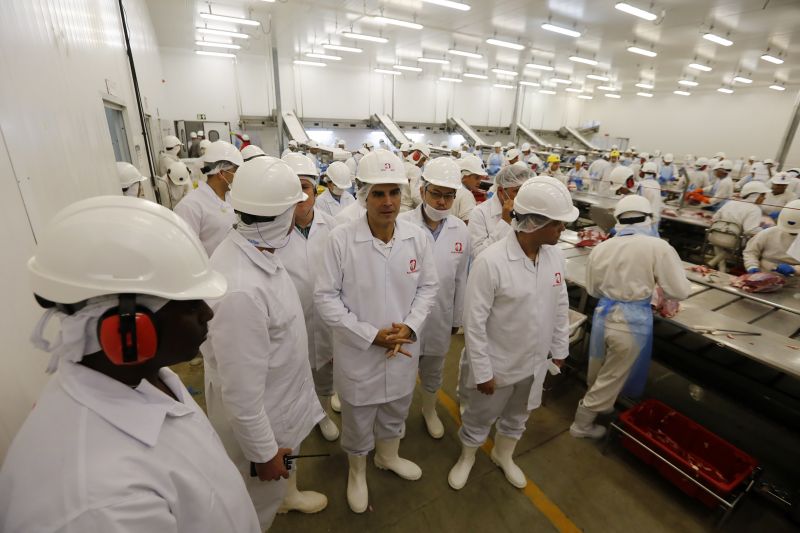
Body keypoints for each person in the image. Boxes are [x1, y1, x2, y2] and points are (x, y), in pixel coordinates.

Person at [0, 196, 260, 532]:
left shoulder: (145, 376)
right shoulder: (101, 505)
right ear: (129, 329)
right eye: (189, 304)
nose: (207, 313)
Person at [203, 158, 327, 529]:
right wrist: (264, 453)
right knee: (256, 507)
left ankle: (288, 496)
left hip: (281, 401)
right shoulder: (242, 289)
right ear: (282, 216)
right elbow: (241, 396)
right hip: (264, 421)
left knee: (279, 484)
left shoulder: (253, 251)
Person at [314, 149, 438, 514]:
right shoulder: (341, 239)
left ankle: (388, 456)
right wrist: (370, 335)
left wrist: (411, 326)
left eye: (394, 193)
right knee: (358, 417)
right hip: (359, 353)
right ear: (363, 195)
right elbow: (325, 298)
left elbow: (428, 288)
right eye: (379, 194)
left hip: (402, 349)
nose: (388, 202)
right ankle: (357, 470)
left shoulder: (416, 238)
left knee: (396, 408)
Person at [448, 177, 576, 490]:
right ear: (535, 224)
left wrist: (560, 349)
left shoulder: (555, 258)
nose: (562, 231)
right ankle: (467, 456)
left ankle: (503, 455)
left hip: (533, 364)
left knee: (519, 416)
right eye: (557, 225)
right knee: (479, 416)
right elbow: (474, 323)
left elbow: (560, 306)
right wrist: (483, 371)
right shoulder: (491, 262)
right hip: (498, 363)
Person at [570, 195, 690, 439]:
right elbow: (679, 291)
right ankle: (581, 425)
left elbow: (592, 289)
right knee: (611, 377)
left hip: (603, 315)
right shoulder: (658, 247)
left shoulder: (603, 246)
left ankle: (597, 406)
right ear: (649, 218)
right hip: (631, 323)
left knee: (599, 370)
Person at [399, 158, 470, 439]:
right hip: (405, 317)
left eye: (449, 196)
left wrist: (456, 318)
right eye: (436, 194)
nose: (442, 202)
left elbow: (461, 278)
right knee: (402, 371)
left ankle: (429, 410)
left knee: (433, 371)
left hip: (440, 316)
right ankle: (399, 415)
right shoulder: (402, 224)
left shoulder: (461, 231)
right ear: (422, 190)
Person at [276, 153, 341, 444]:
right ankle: (300, 417)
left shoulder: (334, 228)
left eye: (305, 186)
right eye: (293, 188)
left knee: (325, 372)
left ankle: (324, 413)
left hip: (327, 317)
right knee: (294, 373)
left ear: (316, 190)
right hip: (290, 318)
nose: (301, 194)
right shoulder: (273, 230)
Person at [174, 141, 242, 256]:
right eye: (236, 171)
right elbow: (185, 252)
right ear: (221, 173)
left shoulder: (231, 198)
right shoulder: (190, 206)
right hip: (212, 270)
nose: (239, 175)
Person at [468, 163, 530, 259]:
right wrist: (505, 222)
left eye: (524, 190)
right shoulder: (480, 213)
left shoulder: (525, 210)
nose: (521, 196)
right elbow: (477, 254)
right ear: (501, 190)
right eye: (516, 191)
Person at [707, 181, 770, 272]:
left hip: (714, 237)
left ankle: (720, 268)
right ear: (755, 195)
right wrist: (764, 231)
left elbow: (715, 218)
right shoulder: (754, 209)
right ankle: (719, 266)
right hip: (735, 242)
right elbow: (750, 230)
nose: (764, 198)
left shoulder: (731, 203)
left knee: (721, 243)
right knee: (743, 246)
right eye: (763, 195)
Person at [744, 199, 800, 275]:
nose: (791, 233)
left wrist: (795, 269)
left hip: (794, 281)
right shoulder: (769, 233)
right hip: (764, 275)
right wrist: (752, 266)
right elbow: (751, 252)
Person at [454, 154, 485, 221]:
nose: (479, 182)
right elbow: (469, 223)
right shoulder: (466, 195)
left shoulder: (455, 187)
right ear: (465, 176)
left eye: (480, 178)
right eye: (476, 178)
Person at [401, 143, 429, 212]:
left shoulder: (401, 165)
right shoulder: (415, 170)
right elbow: (415, 196)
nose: (422, 164)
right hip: (406, 209)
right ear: (416, 156)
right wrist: (427, 206)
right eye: (423, 160)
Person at [637, 162, 662, 228]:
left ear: (643, 172)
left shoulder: (641, 184)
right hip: (655, 218)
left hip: (645, 220)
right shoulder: (657, 184)